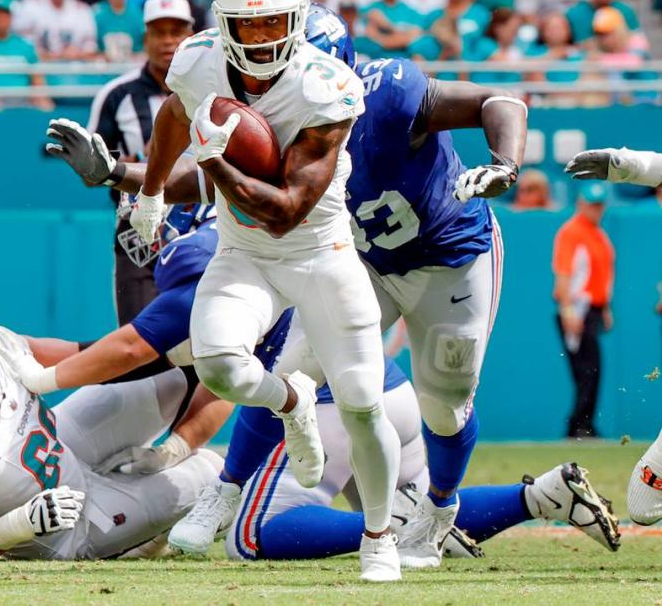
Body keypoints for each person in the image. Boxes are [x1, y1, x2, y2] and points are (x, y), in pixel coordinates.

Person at [45, 2, 529, 569]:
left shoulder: (388, 92)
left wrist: (506, 163)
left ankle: (440, 509)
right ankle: (225, 489)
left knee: (445, 405)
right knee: (288, 370)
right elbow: (208, 180)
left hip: (450, 254)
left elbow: (501, 101)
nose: (281, 80)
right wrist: (122, 176)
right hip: (364, 258)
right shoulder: (276, 106)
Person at [121, 0, 405, 583]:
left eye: (273, 22)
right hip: (242, 252)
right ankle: (290, 398)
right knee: (219, 363)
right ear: (223, 21)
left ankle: (381, 535)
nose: (260, 36)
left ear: (297, 19)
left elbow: (287, 210)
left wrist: (214, 161)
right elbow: (173, 112)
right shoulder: (196, 61)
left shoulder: (323, 84)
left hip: (319, 252)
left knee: (361, 405)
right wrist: (151, 192)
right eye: (247, 24)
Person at [0, 306, 223, 560]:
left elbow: (78, 355)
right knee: (212, 472)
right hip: (72, 528)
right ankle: (143, 542)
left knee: (174, 377)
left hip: (64, 443)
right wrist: (18, 526)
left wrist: (165, 355)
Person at [221, 357, 620, 561]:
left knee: (251, 536)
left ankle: (394, 519)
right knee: (431, 509)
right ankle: (540, 497)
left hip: (329, 404)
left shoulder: (231, 246)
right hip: (393, 392)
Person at [83, 0, 194, 325]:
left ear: (191, 35)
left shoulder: (214, 88)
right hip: (139, 231)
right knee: (138, 335)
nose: (168, 41)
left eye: (176, 31)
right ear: (145, 39)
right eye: (159, 32)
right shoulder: (118, 94)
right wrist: (121, 169)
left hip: (201, 225)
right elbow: (90, 167)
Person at [566, 146, 662, 524]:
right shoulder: (579, 233)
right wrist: (623, 165)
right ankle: (579, 425)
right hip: (582, 308)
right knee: (641, 505)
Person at [551, 182, 614, 439]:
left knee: (591, 370)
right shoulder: (572, 231)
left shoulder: (599, 235)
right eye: (591, 204)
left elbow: (601, 275)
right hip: (578, 308)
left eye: (599, 205)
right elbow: (564, 273)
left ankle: (583, 424)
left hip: (594, 310)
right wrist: (567, 309)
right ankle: (579, 425)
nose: (595, 210)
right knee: (587, 371)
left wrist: (606, 308)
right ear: (580, 203)